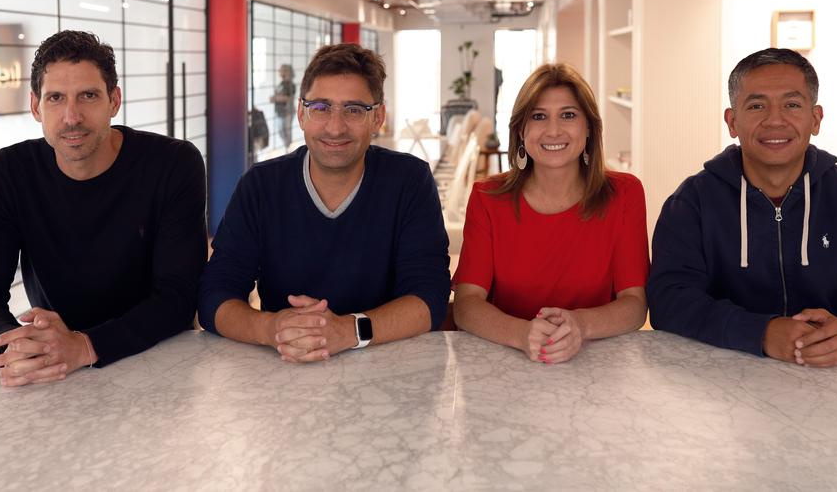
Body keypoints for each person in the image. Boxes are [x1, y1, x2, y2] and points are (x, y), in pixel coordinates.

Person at [0, 30, 208, 386]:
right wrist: (18, 349)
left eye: (88, 96)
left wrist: (86, 346)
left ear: (114, 100)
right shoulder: (6, 173)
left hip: (156, 361)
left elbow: (179, 297)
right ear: (36, 106)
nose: (72, 117)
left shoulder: (172, 164)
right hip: (58, 371)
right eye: (56, 98)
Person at [647, 48, 837, 367]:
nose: (774, 120)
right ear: (732, 121)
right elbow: (669, 299)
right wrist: (761, 332)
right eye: (756, 105)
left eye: (792, 104)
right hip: (725, 373)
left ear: (815, 119)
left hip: (831, 372)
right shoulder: (692, 201)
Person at [199, 43, 450, 362]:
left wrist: (350, 331)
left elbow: (430, 296)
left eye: (354, 109)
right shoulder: (261, 186)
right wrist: (271, 328)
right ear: (301, 113)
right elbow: (214, 296)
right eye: (321, 107)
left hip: (387, 361)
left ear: (378, 118)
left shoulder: (409, 180)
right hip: (287, 363)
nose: (335, 127)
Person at [453, 63, 649, 364]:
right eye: (538, 116)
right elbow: (466, 305)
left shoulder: (624, 194)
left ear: (589, 129)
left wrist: (580, 326)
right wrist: (522, 334)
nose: (553, 130)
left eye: (568, 115)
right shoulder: (487, 198)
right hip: (506, 361)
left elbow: (635, 305)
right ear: (521, 130)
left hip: (597, 364)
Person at [270, 63, 296, 149]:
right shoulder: (280, 84)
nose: (279, 71)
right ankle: (287, 147)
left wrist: (276, 98)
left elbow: (287, 98)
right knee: (280, 131)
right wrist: (276, 98)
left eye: (282, 70)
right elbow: (277, 97)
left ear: (287, 72)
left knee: (287, 131)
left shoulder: (290, 84)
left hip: (287, 111)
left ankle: (288, 149)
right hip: (279, 111)